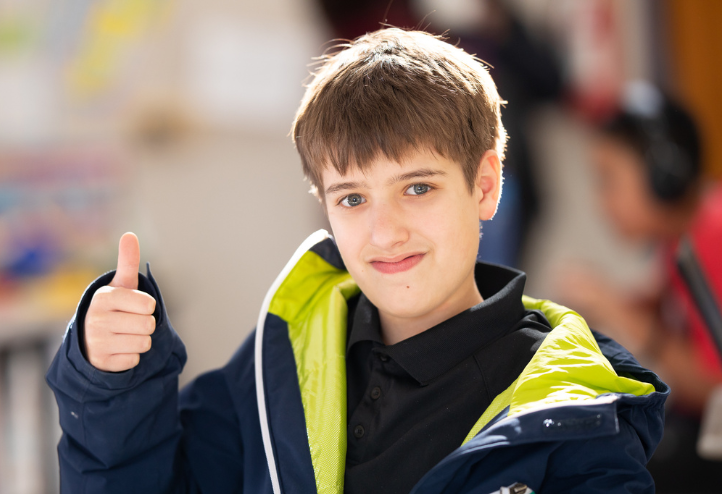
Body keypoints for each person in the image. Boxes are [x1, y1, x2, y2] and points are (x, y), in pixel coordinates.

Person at [46, 29, 667, 493]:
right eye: (352, 198)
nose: (385, 230)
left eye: (417, 187)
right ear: (325, 207)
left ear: (484, 186)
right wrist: (110, 383)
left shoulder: (577, 416)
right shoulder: (278, 365)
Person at [557, 81, 722, 491]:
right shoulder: (683, 236)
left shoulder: (712, 234)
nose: (601, 201)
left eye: (609, 179)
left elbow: (715, 389)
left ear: (663, 176)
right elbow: (673, 309)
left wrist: (620, 312)